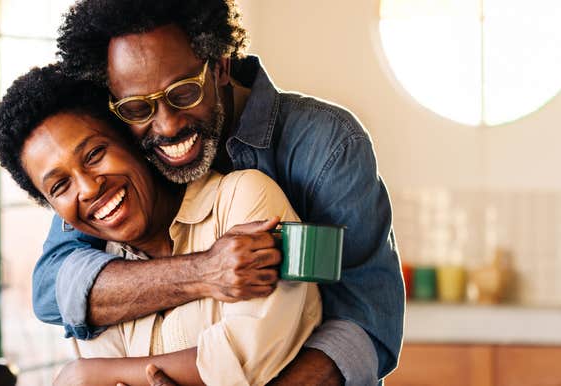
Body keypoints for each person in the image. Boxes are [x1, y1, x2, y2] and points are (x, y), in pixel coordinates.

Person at [36, 0, 405, 384]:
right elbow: (52, 288)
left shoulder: (325, 144)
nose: (166, 126)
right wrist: (203, 271)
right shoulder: (128, 153)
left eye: (183, 93)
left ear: (221, 65)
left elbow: (365, 320)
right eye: (137, 107)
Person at [0, 64, 322, 385]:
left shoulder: (246, 197)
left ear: (130, 138)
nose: (88, 188)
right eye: (60, 186)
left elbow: (243, 360)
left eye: (94, 154)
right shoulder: (100, 285)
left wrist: (96, 374)